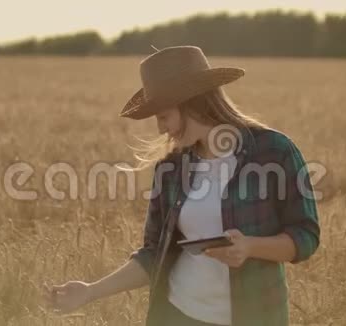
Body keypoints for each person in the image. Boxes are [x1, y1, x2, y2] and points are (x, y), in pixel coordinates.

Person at [44, 45, 321, 326]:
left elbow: (305, 237)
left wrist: (250, 247)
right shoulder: (171, 168)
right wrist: (90, 291)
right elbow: (155, 253)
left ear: (192, 102)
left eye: (163, 116)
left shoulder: (273, 151)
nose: (160, 129)